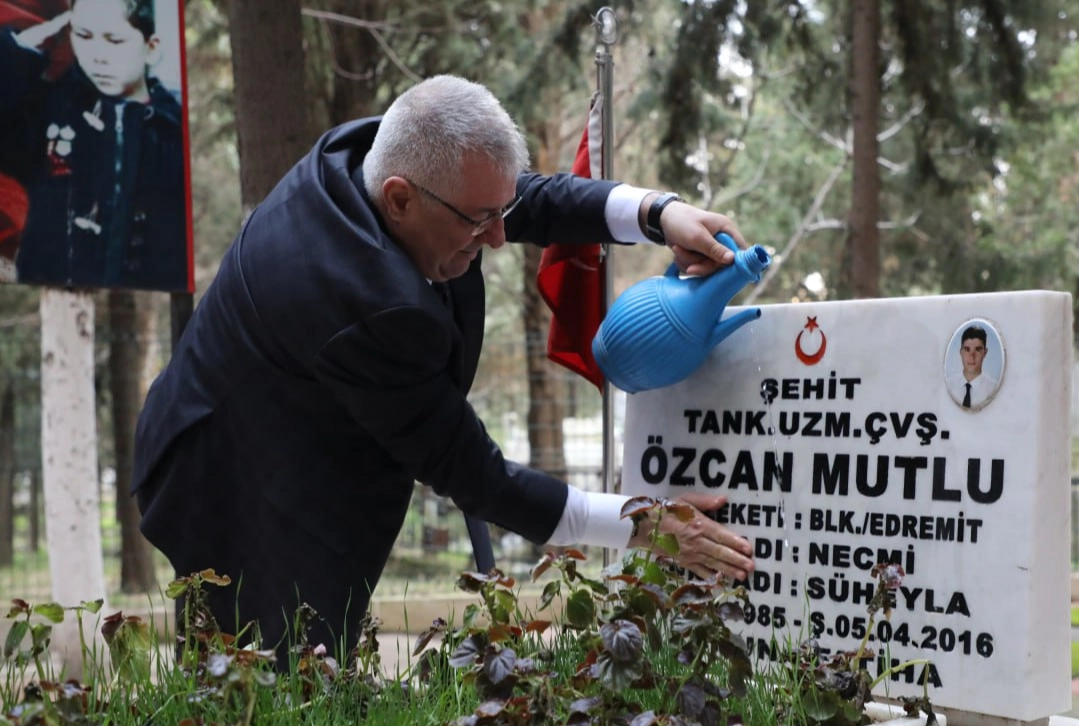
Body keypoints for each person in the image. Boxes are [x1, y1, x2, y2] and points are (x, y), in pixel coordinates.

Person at [132, 75, 757, 666]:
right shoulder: (367, 302)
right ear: (400, 198)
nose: (495, 240)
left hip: (289, 423)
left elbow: (519, 200)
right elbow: (473, 474)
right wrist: (642, 523)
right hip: (230, 479)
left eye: (496, 216)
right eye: (478, 222)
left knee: (307, 670)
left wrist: (656, 211)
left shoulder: (375, 158)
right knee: (279, 682)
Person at [0, 0, 187, 291]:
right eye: (83, 36)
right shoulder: (54, 110)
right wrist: (19, 51)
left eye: (115, 40)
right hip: (50, 297)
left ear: (151, 47)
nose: (97, 56)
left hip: (146, 301)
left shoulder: (172, 131)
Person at [947, 325, 1000, 410]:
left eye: (978, 350)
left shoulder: (994, 389)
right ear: (961, 352)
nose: (972, 356)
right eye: (967, 349)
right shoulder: (948, 385)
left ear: (985, 352)